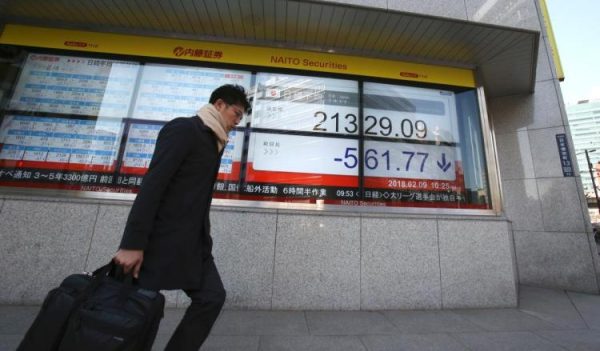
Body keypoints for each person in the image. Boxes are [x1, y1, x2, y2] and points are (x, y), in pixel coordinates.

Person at [113, 84, 250, 350]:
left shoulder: (214, 140)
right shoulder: (185, 129)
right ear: (219, 104)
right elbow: (154, 184)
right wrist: (132, 243)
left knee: (212, 297)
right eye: (236, 114)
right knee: (137, 312)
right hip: (158, 240)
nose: (237, 122)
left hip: (192, 243)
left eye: (241, 118)